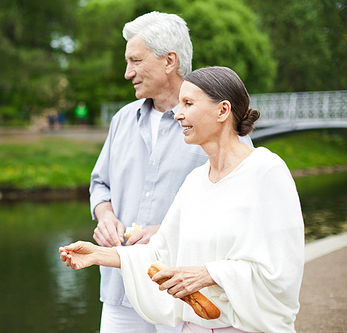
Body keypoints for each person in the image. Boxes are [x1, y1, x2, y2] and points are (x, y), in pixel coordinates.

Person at [60, 66, 305, 333]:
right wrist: (99, 255)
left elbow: (283, 269)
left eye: (188, 104)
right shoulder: (196, 181)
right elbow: (160, 254)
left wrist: (208, 274)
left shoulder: (266, 171)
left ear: (222, 111)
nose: (177, 114)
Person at [88, 11, 252, 332]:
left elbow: (242, 203)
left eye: (135, 60)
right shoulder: (122, 119)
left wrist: (167, 231)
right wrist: (105, 216)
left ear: (169, 61)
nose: (127, 72)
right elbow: (99, 184)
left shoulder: (219, 119)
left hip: (186, 293)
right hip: (121, 288)